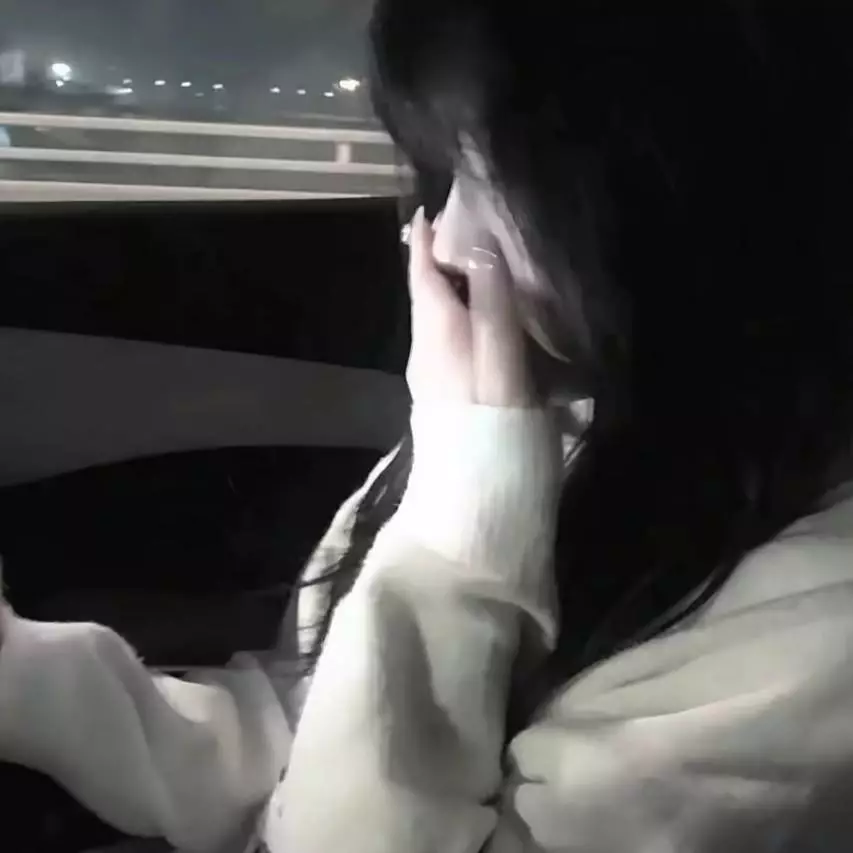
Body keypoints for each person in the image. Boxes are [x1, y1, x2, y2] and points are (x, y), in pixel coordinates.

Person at [4, 1, 853, 851]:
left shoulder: (811, 635)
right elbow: (312, 735)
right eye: (445, 175)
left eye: (492, 182)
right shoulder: (550, 429)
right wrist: (27, 676)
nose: (440, 241)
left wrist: (460, 531)